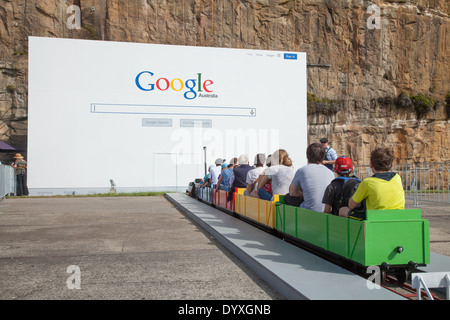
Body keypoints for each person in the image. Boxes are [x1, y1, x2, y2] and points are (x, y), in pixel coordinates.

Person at [339, 147, 405, 218]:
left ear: (371, 164)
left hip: (376, 219)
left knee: (342, 210)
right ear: (392, 164)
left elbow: (351, 205)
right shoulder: (397, 178)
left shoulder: (368, 182)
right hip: (398, 217)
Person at [289, 143, 335, 211]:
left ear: (307, 156)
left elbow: (292, 192)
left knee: (288, 197)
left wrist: (303, 195)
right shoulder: (331, 173)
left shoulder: (302, 170)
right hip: (326, 211)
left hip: (309, 210)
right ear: (323, 156)